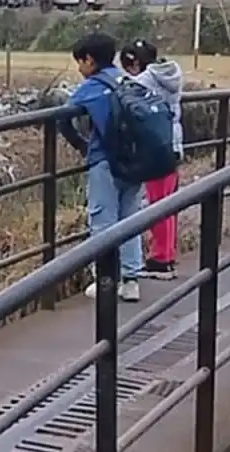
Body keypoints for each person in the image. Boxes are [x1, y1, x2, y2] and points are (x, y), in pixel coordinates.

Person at [58, 32, 144, 303]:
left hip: (105, 161)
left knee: (103, 221)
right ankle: (131, 280)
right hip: (136, 160)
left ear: (90, 60)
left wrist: (83, 146)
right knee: (130, 219)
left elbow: (63, 119)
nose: (79, 68)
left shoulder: (91, 88)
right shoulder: (127, 81)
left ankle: (106, 280)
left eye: (80, 62)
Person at [121, 39, 184, 280]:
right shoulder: (170, 73)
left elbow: (124, 96)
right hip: (174, 142)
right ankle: (168, 253)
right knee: (169, 203)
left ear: (135, 63)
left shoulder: (144, 81)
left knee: (158, 205)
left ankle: (160, 258)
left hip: (157, 147)